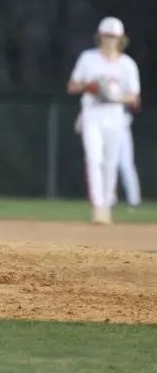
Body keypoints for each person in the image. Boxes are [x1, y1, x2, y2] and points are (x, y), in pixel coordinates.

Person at [67, 16, 140, 224]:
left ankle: (107, 203)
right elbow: (72, 86)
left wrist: (114, 97)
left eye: (113, 36)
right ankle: (98, 206)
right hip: (92, 112)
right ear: (100, 37)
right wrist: (88, 86)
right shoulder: (88, 58)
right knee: (93, 158)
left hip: (115, 114)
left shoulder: (127, 64)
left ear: (121, 39)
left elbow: (134, 97)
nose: (109, 40)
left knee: (111, 161)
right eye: (106, 36)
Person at [74, 105, 142, 209]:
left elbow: (135, 105)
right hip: (101, 123)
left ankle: (134, 200)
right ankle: (108, 199)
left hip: (120, 123)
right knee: (102, 163)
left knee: (125, 165)